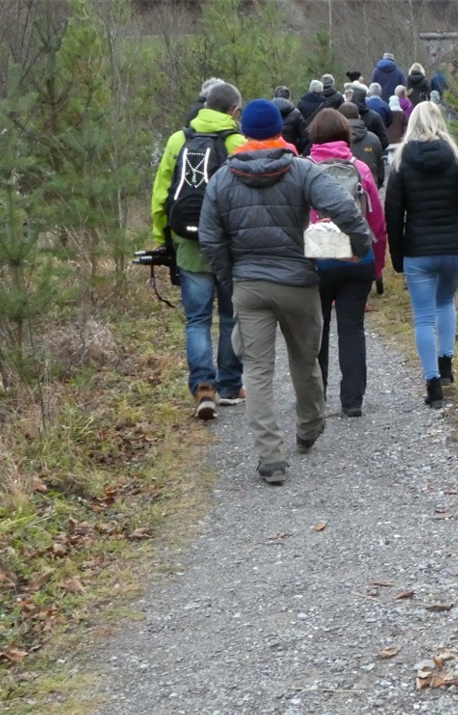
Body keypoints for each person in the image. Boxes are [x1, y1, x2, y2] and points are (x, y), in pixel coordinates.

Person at [198, 99, 373, 485]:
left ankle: (270, 458)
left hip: (249, 285)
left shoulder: (223, 179)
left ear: (245, 134)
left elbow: (210, 239)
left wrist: (233, 279)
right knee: (305, 359)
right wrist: (360, 247)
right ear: (280, 131)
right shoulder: (300, 170)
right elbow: (343, 207)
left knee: (257, 371)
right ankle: (309, 428)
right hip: (297, 281)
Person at [152, 80, 247, 420]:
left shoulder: (179, 140)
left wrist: (164, 236)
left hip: (188, 243)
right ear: (234, 111)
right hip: (229, 247)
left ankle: (203, 388)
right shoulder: (239, 143)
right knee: (230, 317)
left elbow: (162, 191)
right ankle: (229, 384)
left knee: (196, 319)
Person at [385, 101, 458, 410]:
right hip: (454, 249)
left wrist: (397, 260)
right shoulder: (457, 160)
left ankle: (433, 384)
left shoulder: (401, 162)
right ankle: (447, 362)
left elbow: (394, 216)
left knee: (423, 318)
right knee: (446, 302)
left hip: (419, 251)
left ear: (412, 123)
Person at [306, 109, 387, 419]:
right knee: (352, 329)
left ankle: (319, 399)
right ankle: (352, 401)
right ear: (346, 135)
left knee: (319, 329)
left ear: (313, 135)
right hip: (357, 258)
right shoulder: (361, 168)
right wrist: (376, 264)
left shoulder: (304, 169)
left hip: (319, 257)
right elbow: (377, 223)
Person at [338, 101, 384, 188]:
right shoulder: (373, 139)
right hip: (368, 190)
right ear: (359, 117)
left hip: (340, 192)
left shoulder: (333, 139)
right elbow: (380, 173)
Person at [349, 84, 389, 150]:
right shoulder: (375, 116)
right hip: (370, 156)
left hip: (348, 157)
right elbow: (385, 141)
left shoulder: (343, 115)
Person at [271, 85, 307, 153]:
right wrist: (298, 151)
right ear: (289, 97)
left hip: (270, 150)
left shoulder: (266, 111)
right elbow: (304, 137)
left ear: (274, 96)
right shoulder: (297, 113)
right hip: (290, 151)